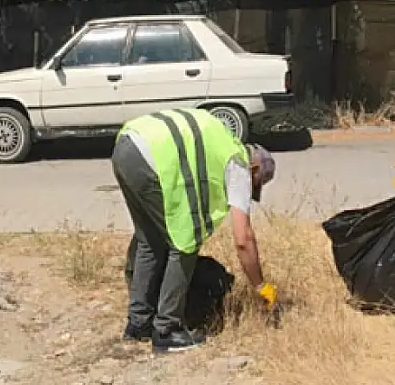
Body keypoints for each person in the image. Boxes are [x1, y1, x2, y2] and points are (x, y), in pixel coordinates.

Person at [112, 107, 280, 353]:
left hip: (126, 145)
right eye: (254, 185)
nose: (248, 190)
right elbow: (243, 239)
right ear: (254, 171)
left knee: (150, 240)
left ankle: (139, 323)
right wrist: (260, 286)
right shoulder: (238, 164)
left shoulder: (222, 140)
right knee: (185, 242)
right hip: (149, 156)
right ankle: (167, 329)